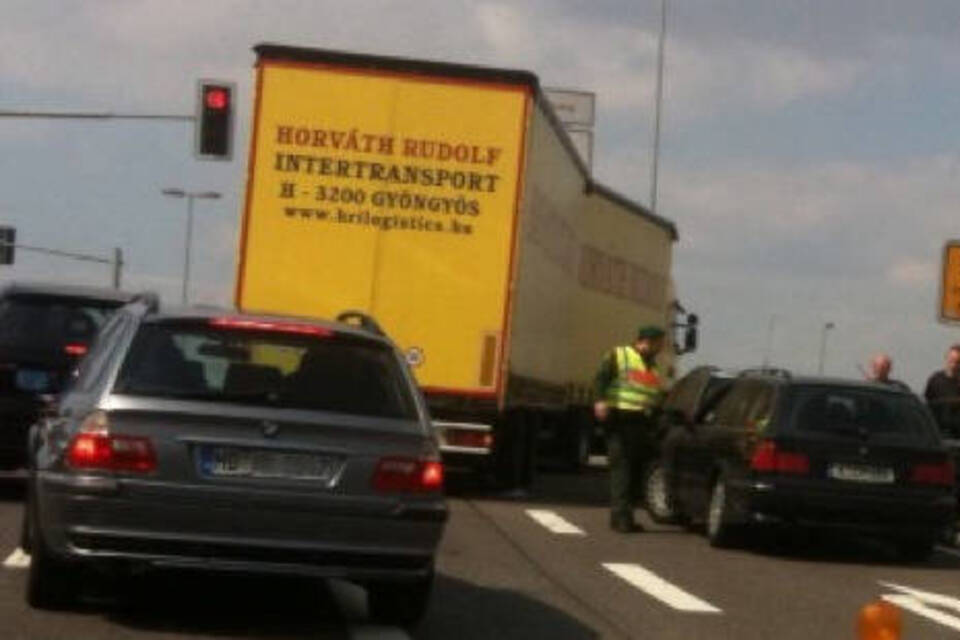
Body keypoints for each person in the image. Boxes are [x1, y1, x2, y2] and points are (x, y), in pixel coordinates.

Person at [593, 325, 669, 533]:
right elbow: (601, 379)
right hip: (619, 418)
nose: (661, 348)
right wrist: (599, 401)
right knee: (622, 468)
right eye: (659, 343)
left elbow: (653, 395)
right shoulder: (619, 355)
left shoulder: (652, 366)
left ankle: (622, 516)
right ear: (646, 341)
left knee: (633, 469)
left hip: (640, 422)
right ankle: (622, 519)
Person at [925, 345, 960, 438]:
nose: (954, 364)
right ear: (946, 359)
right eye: (952, 360)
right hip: (938, 434)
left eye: (957, 362)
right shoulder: (935, 380)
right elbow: (927, 405)